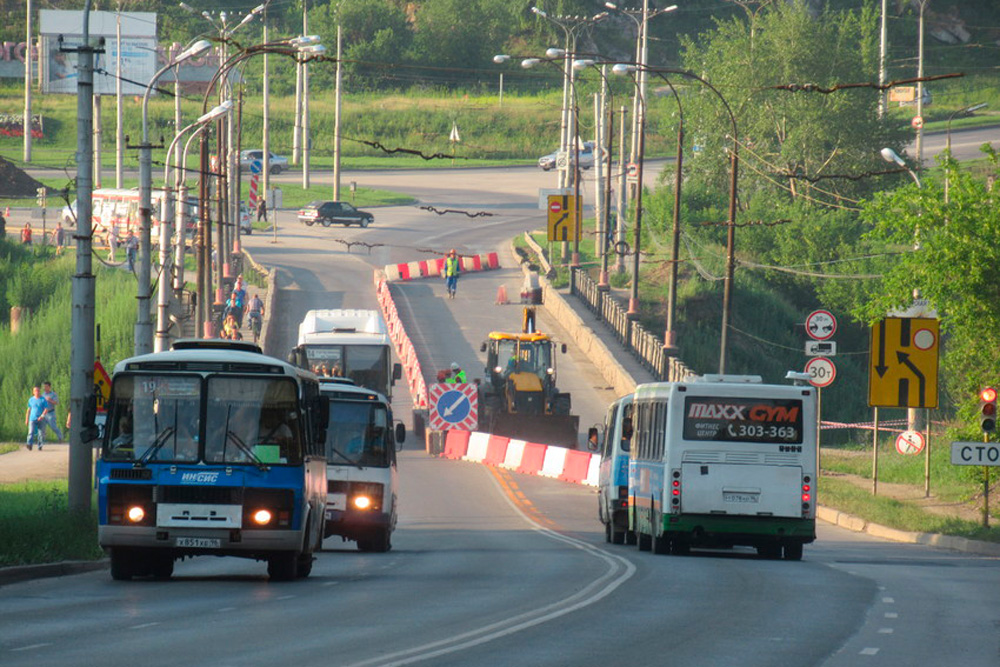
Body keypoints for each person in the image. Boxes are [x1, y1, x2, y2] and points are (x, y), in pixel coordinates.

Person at [24, 385, 50, 451]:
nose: (37, 392)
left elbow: (46, 409)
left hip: (41, 419)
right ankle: (29, 444)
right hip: (32, 418)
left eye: (38, 390)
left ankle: (40, 445)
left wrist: (42, 416)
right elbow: (28, 410)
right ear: (33, 392)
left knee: (41, 433)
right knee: (31, 432)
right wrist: (26, 419)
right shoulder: (31, 400)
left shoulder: (43, 399)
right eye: (35, 391)